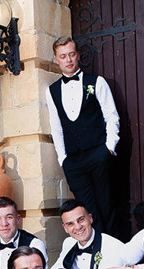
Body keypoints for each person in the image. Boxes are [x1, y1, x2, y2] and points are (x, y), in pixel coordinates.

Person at [46, 36, 120, 235]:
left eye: (71, 54)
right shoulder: (51, 91)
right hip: (74, 162)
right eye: (63, 56)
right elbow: (56, 127)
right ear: (56, 59)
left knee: (107, 206)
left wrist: (109, 148)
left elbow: (111, 116)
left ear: (78, 56)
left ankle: (113, 253)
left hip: (99, 154)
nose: (68, 60)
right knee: (86, 211)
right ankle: (95, 253)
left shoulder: (97, 82)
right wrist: (63, 159)